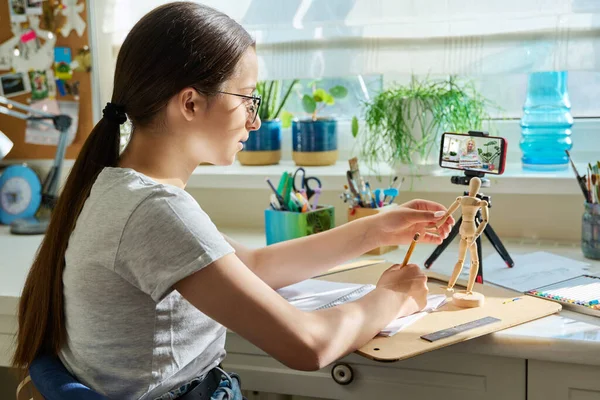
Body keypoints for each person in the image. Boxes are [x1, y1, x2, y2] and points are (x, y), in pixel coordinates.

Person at [12, 2, 455, 399]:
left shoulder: (122, 188)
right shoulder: (155, 210)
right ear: (189, 103)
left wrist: (373, 228)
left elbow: (254, 269)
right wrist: (392, 298)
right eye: (247, 98)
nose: (256, 119)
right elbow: (308, 344)